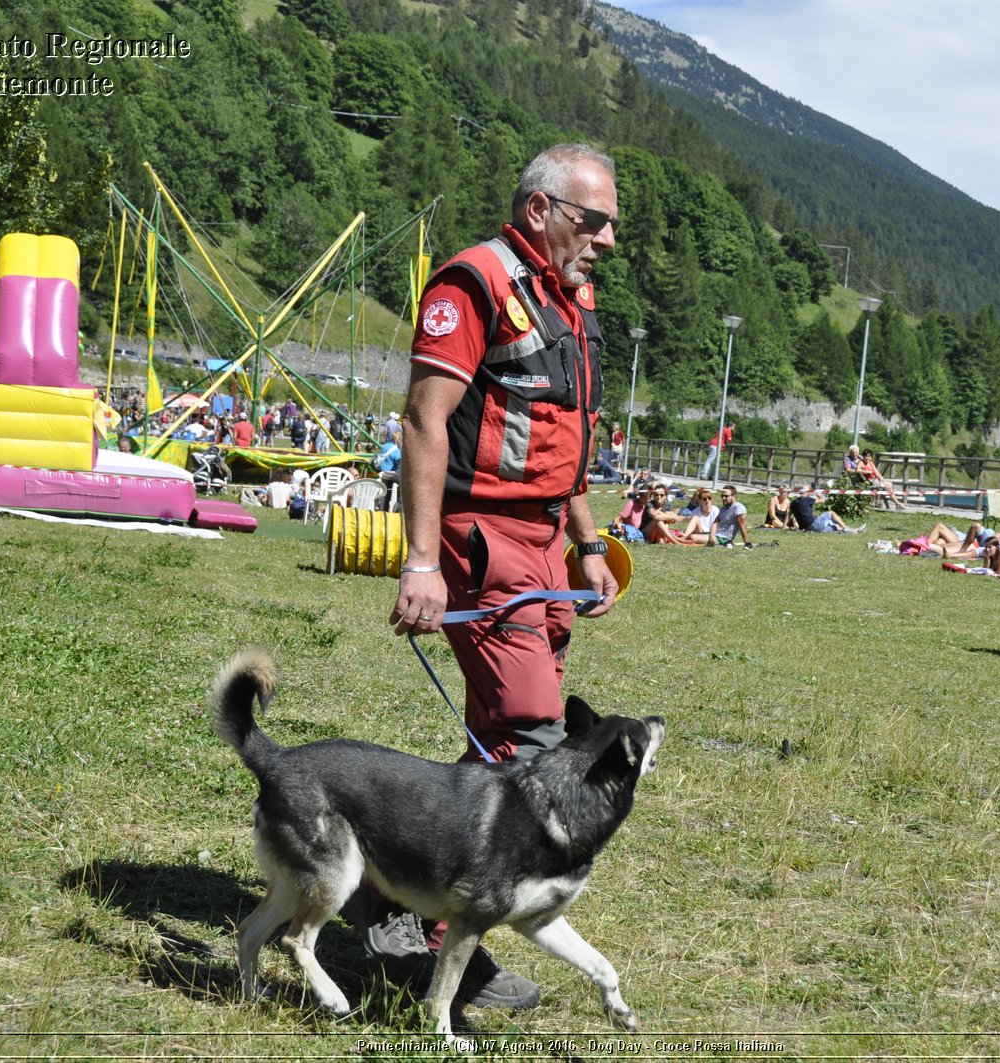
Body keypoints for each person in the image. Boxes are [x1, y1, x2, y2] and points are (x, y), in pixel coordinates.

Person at [381, 143, 621, 1010]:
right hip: (480, 535)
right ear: (539, 211)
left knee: (502, 738)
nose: (607, 240)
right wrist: (420, 561)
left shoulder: (573, 297)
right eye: (592, 221)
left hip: (549, 540)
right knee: (529, 738)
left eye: (612, 225)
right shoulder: (473, 283)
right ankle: (436, 942)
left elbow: (567, 434)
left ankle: (387, 886)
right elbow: (422, 421)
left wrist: (590, 541)